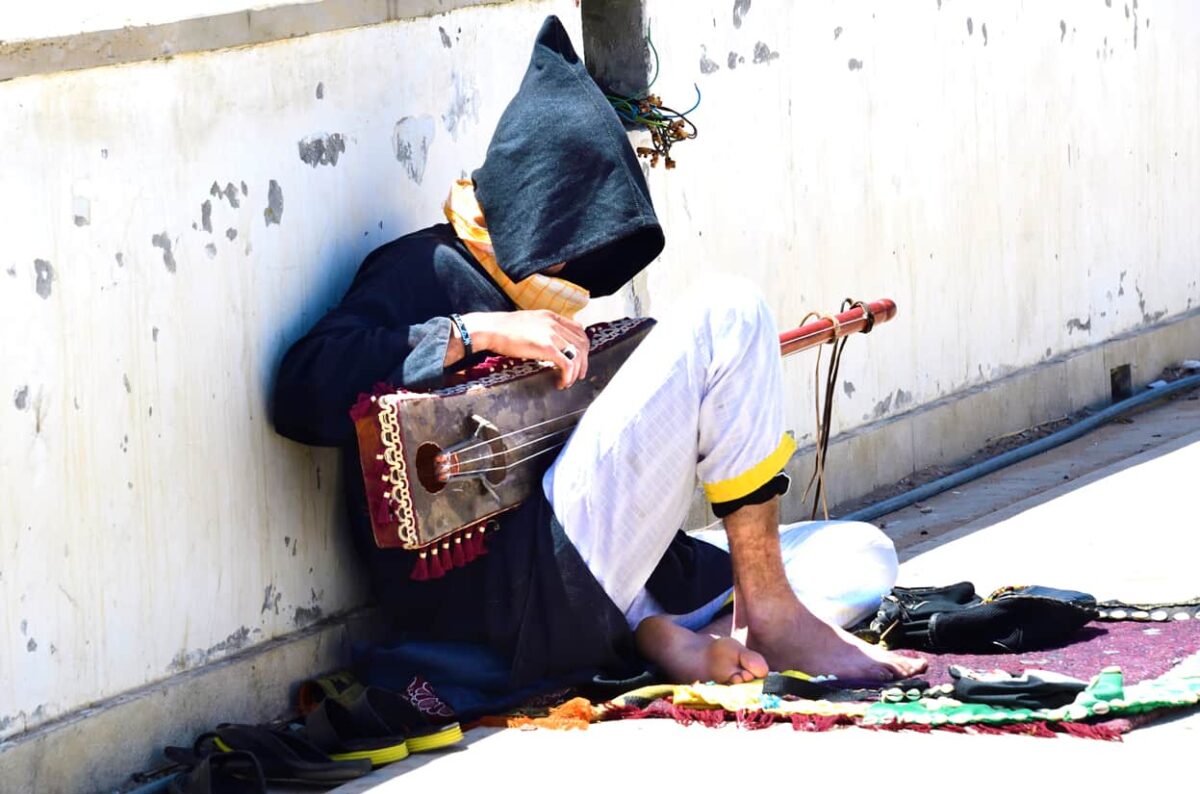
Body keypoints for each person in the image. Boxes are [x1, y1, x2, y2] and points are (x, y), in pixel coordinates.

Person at [273, 16, 925, 696]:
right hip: (521, 596)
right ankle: (761, 612)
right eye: (571, 240)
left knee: (863, 555)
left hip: (616, 579)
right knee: (727, 308)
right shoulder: (421, 267)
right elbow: (300, 388)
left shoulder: (545, 300)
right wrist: (482, 331)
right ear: (537, 205)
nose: (576, 275)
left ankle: (669, 634)